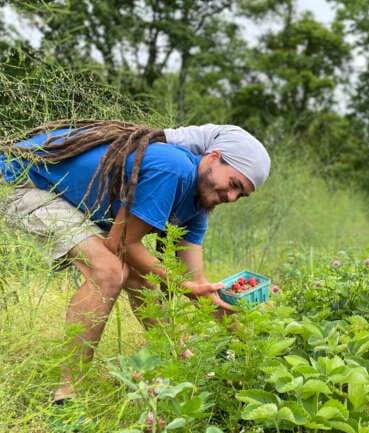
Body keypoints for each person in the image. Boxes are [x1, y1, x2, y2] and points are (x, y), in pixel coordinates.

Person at [0, 119, 271, 407]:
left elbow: (196, 284)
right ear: (213, 157)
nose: (230, 197)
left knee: (146, 283)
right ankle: (66, 398)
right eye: (233, 184)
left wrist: (244, 338)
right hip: (18, 181)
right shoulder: (174, 169)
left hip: (58, 194)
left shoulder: (198, 205)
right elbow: (123, 245)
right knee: (109, 271)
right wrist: (183, 285)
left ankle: (178, 365)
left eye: (240, 195)